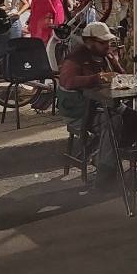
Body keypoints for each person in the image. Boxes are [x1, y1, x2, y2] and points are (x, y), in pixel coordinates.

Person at [57, 21, 129, 189]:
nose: (107, 46)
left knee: (133, 118)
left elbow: (122, 74)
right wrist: (97, 78)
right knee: (114, 122)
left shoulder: (107, 55)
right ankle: (105, 176)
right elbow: (67, 81)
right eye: (102, 42)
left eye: (108, 42)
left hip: (105, 105)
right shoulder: (75, 59)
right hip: (80, 111)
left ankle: (100, 155)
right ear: (89, 42)